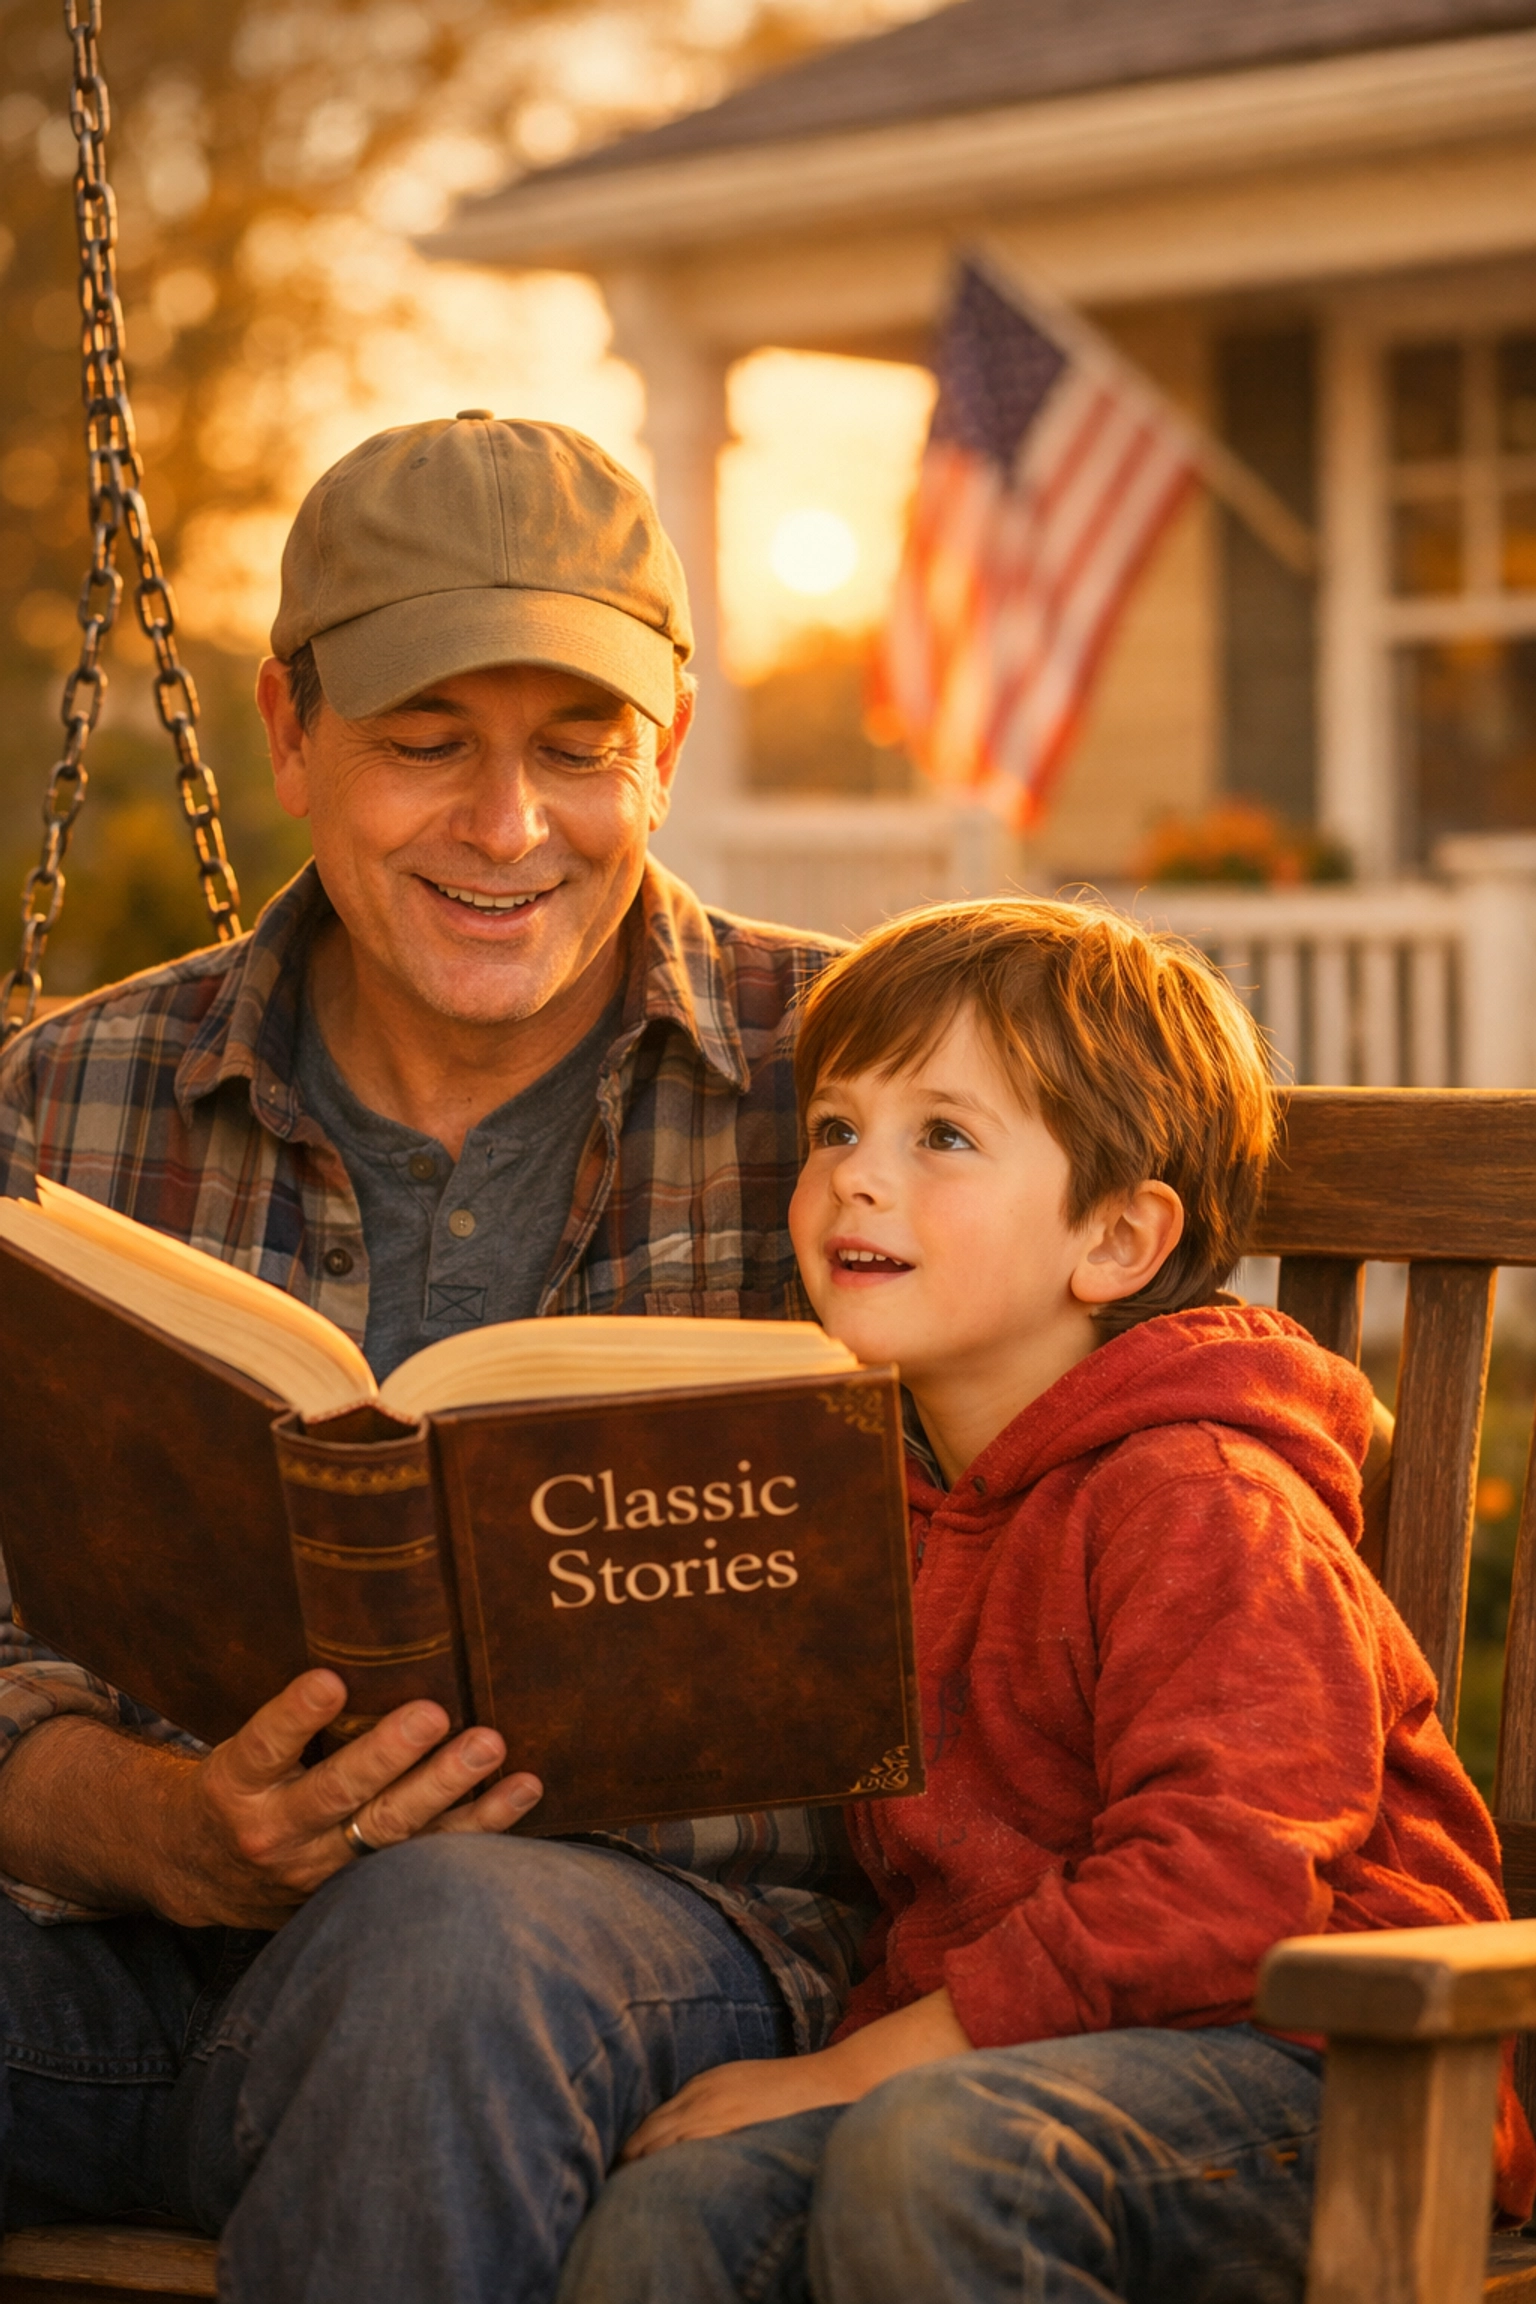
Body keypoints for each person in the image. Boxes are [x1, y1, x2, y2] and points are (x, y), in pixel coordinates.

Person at [0, 416, 870, 2302]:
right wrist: (159, 1826)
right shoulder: (70, 1093)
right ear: (291, 731)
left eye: (578, 748)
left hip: (649, 1975)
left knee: (446, 1950)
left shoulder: (865, 1086)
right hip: (125, 1980)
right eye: (424, 745)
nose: (508, 827)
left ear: (673, 746)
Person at [557, 898, 1536, 2304]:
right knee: (677, 2214)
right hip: (1017, 2073)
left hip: (1341, 2076)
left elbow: (1225, 1885)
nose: (856, 1180)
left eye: (942, 1137)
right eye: (836, 1129)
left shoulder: (1201, 1494)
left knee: (942, 2153)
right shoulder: (893, 1508)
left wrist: (863, 2062)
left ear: (1119, 1242)